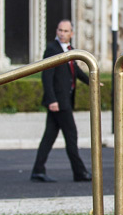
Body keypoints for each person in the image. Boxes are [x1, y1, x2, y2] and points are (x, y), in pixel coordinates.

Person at [30, 19, 92, 183]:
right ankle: (79, 172)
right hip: (59, 102)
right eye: (60, 30)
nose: (62, 34)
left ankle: (38, 170)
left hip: (65, 100)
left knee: (49, 136)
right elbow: (47, 76)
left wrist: (92, 81)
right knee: (71, 135)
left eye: (66, 31)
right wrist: (52, 100)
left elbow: (75, 70)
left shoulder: (70, 50)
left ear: (72, 33)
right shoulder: (52, 49)